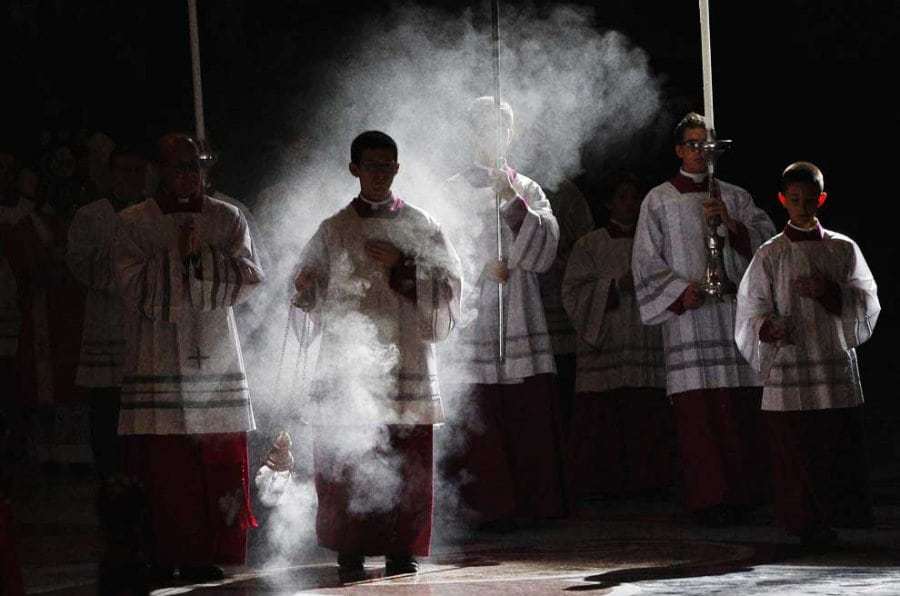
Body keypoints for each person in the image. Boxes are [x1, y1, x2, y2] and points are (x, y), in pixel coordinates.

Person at [292, 130, 461, 579]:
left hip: (407, 359)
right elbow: (306, 287)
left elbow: (450, 289)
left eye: (388, 165)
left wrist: (403, 268)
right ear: (354, 169)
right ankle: (350, 549)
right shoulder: (333, 229)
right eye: (371, 165)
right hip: (349, 365)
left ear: (397, 169)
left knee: (407, 457)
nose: (380, 174)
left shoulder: (421, 224)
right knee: (346, 457)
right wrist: (307, 288)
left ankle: (401, 550)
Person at [112, 133, 263, 581]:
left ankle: (206, 553)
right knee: (166, 470)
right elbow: (131, 286)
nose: (188, 175)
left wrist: (203, 260)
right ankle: (163, 554)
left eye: (196, 166)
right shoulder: (133, 222)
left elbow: (251, 278)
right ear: (159, 169)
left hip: (215, 354)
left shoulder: (227, 218)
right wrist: (182, 260)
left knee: (214, 465)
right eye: (179, 167)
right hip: (157, 355)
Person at [632, 112, 776, 525]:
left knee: (737, 406)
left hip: (731, 314)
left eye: (705, 144)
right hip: (689, 320)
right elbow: (644, 261)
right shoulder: (658, 199)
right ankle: (709, 498)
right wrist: (680, 292)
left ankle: (746, 494)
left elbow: (768, 246)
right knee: (701, 414)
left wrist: (732, 226)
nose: (699, 151)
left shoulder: (735, 196)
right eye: (691, 144)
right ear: (679, 150)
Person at [735, 161, 878, 546]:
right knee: (795, 447)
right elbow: (750, 308)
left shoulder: (842, 247)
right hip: (790, 362)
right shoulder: (770, 254)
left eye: (810, 200)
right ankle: (801, 522)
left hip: (830, 358)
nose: (803, 206)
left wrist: (830, 291)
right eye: (795, 199)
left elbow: (868, 301)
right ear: (782, 200)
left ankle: (836, 517)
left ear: (822, 199)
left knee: (831, 442)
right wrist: (769, 326)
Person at [438, 97, 564, 528]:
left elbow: (546, 249)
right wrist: (477, 269)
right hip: (473, 317)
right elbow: (436, 251)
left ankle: (531, 504)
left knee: (523, 413)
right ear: (472, 131)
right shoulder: (451, 187)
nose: (497, 135)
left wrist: (512, 202)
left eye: (504, 127)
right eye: (487, 126)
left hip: (519, 312)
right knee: (479, 414)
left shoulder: (527, 188)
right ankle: (482, 506)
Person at [562, 171, 672, 502]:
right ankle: (602, 489)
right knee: (603, 419)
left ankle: (649, 485)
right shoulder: (590, 243)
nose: (630, 204)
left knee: (645, 416)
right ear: (609, 202)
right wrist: (611, 287)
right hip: (606, 341)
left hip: (644, 336)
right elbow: (571, 292)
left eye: (635, 197)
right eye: (622, 197)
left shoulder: (654, 242)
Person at [67, 144, 148, 478]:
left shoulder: (154, 211)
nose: (130, 178)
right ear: (111, 175)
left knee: (145, 407)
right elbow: (78, 265)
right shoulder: (91, 215)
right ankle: (109, 479)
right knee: (106, 405)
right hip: (107, 320)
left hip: (145, 323)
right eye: (123, 171)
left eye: (136, 171)